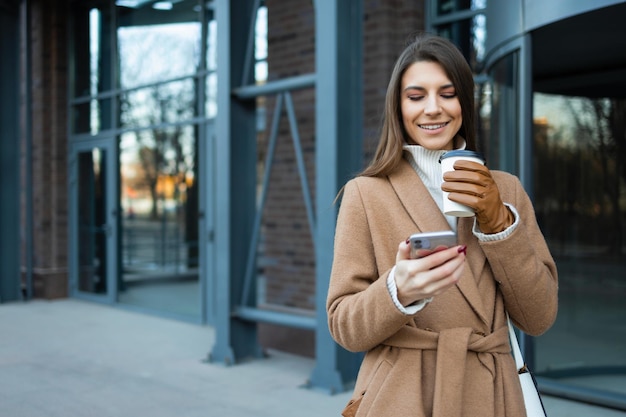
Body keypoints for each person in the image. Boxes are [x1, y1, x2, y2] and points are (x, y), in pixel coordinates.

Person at [326, 34, 558, 417]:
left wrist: (498, 222)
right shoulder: (365, 194)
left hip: (493, 394)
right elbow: (344, 326)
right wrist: (397, 290)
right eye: (416, 96)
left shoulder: (507, 190)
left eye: (447, 94)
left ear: (464, 102)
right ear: (398, 107)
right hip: (403, 395)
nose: (432, 109)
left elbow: (539, 317)